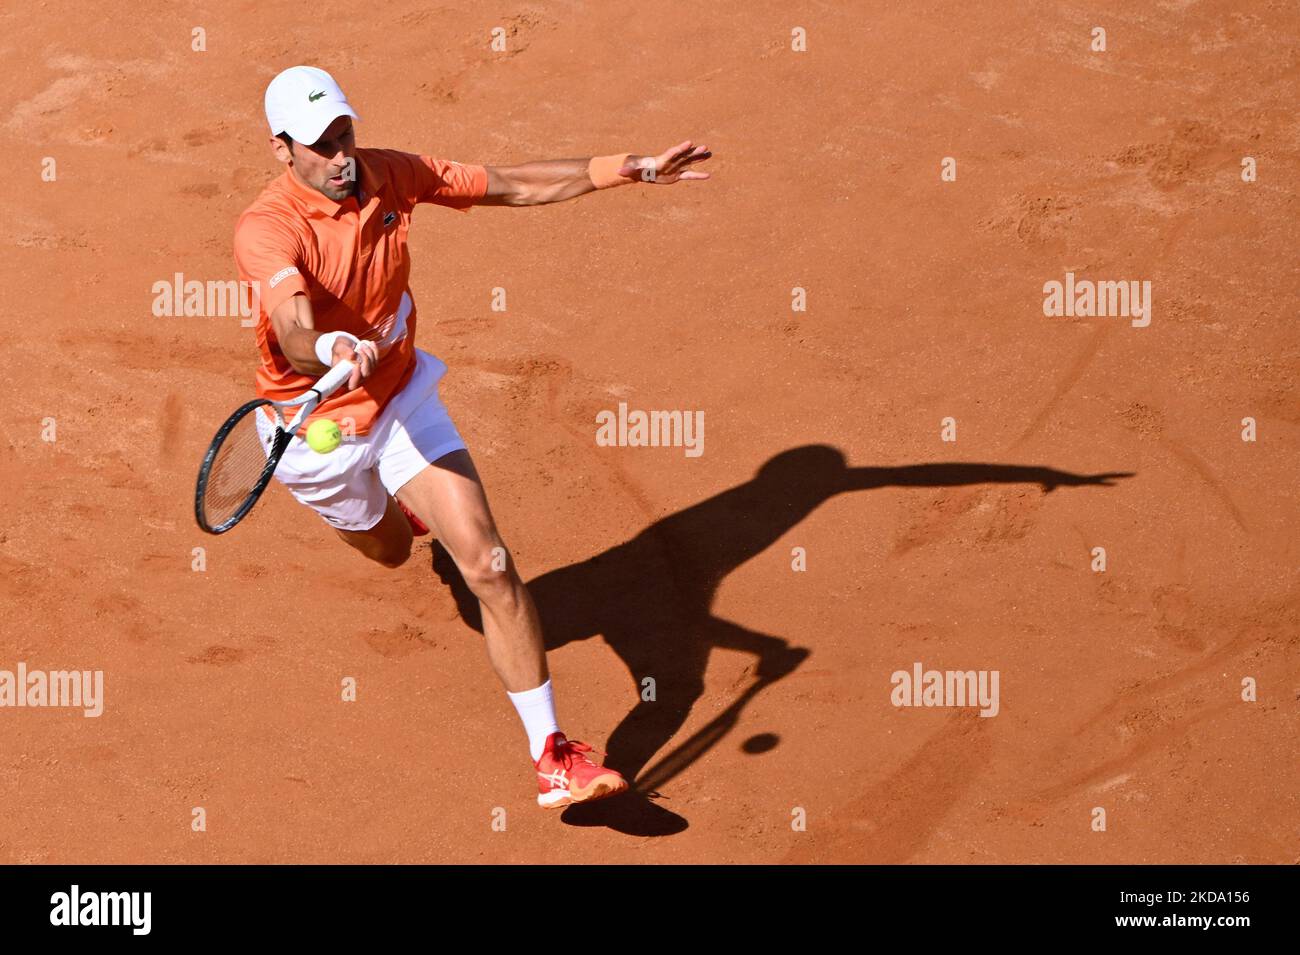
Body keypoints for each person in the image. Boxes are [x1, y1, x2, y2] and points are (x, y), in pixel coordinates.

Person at [233, 65, 712, 809]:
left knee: (488, 560)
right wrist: (330, 350)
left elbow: (511, 184)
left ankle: (551, 753)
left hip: (397, 398)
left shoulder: (390, 176)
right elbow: (295, 329)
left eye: (345, 135)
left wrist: (628, 168)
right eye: (320, 145)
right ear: (281, 149)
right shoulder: (266, 229)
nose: (340, 156)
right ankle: (397, 515)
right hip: (317, 431)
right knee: (390, 550)